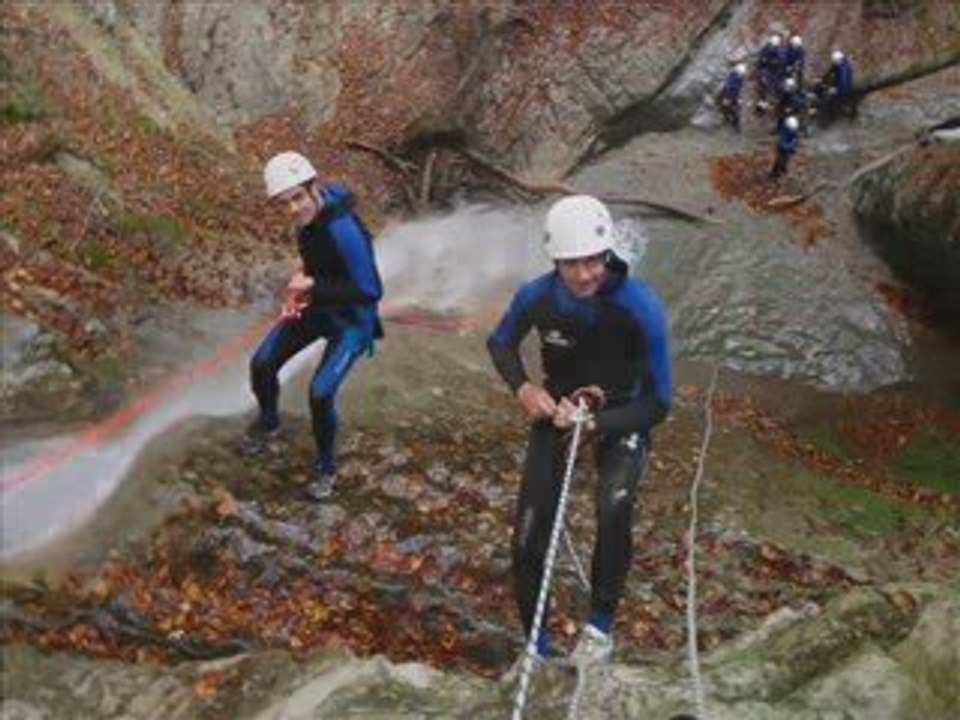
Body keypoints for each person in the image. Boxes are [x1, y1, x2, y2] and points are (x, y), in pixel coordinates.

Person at [487, 195, 672, 665]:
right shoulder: (538, 297)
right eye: (572, 263)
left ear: (607, 253)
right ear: (555, 260)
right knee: (528, 534)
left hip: (622, 412)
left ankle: (599, 629)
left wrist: (597, 422)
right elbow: (501, 343)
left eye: (593, 260)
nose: (585, 273)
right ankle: (536, 645)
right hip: (559, 411)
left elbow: (659, 402)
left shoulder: (639, 307)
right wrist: (524, 389)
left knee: (614, 506)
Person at [242, 151, 384, 501]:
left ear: (314, 187)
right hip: (319, 308)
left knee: (319, 393)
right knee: (261, 364)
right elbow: (318, 264)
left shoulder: (344, 230)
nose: (293, 209)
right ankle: (269, 425)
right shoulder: (308, 221)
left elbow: (370, 290)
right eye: (284, 203)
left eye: (298, 198)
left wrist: (312, 287)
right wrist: (303, 289)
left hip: (351, 321)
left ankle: (325, 469)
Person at [817, 50, 855, 124]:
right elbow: (830, 71)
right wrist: (823, 79)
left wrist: (835, 89)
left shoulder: (843, 69)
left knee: (827, 99)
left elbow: (843, 83)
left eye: (834, 61)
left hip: (844, 89)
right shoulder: (838, 63)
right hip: (839, 84)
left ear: (839, 60)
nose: (834, 62)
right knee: (827, 89)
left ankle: (828, 118)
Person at [755, 34, 786, 114]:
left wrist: (775, 63)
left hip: (774, 72)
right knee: (764, 88)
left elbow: (781, 61)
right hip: (768, 71)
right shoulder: (766, 49)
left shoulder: (779, 51)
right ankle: (762, 105)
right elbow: (761, 60)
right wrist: (762, 66)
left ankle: (767, 102)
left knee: (772, 87)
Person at [717, 63, 747, 131]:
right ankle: (730, 121)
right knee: (728, 108)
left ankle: (735, 124)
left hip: (733, 95)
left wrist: (739, 98)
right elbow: (728, 86)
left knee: (734, 110)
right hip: (730, 95)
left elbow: (739, 88)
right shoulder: (733, 76)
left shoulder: (738, 77)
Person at [769, 115, 800, 180]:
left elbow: (796, 138)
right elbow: (782, 143)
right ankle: (774, 174)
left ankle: (783, 170)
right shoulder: (784, 131)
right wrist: (790, 146)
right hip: (782, 148)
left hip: (788, 148)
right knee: (779, 160)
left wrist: (794, 146)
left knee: (786, 160)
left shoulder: (794, 131)